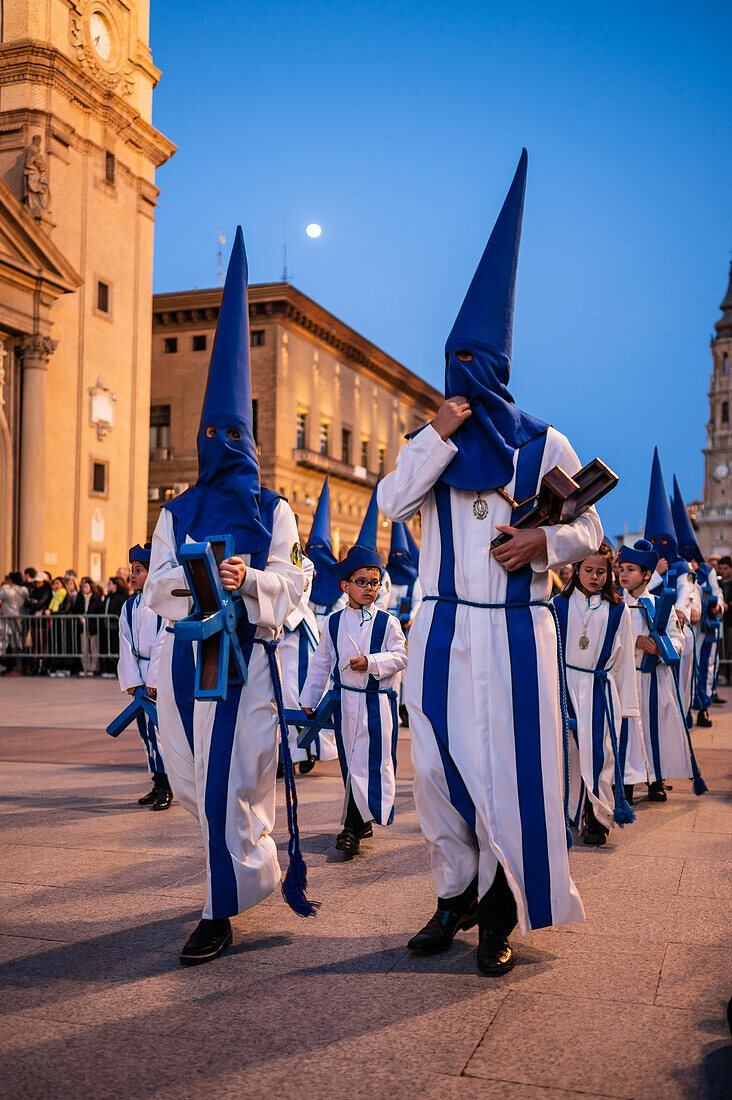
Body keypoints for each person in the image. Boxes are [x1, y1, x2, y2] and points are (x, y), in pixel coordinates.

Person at [378, 150, 602, 976]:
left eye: (478, 368)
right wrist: (437, 433)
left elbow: (594, 532)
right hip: (437, 628)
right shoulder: (429, 445)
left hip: (515, 633)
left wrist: (545, 539)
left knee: (512, 772)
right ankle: (450, 897)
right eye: (455, 368)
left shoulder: (546, 443)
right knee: (436, 772)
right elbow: (390, 506)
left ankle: (500, 916)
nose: (467, 381)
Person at [145, 228, 307, 967]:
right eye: (212, 430)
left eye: (233, 429)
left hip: (248, 669)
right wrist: (203, 577)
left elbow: (294, 585)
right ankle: (244, 871)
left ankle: (219, 908)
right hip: (186, 666)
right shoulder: (175, 510)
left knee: (235, 785)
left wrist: (253, 583)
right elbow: (155, 585)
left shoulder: (275, 508)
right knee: (193, 784)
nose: (220, 439)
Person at [300, 545, 407, 858]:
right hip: (346, 703)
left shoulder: (388, 622)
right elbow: (321, 663)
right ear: (344, 586)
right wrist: (309, 699)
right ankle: (360, 820)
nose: (369, 588)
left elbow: (401, 656)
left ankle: (352, 827)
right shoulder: (333, 623)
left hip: (377, 705)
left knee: (372, 763)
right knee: (351, 763)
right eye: (361, 582)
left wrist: (371, 662)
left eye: (373, 582)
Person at [553, 544, 639, 845]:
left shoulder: (618, 609)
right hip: (564, 684)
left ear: (610, 572)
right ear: (576, 569)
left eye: (601, 571)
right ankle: (572, 810)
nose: (594, 577)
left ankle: (598, 816)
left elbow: (625, 658)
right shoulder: (558, 605)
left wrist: (627, 705)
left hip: (599, 687)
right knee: (570, 752)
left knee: (600, 754)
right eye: (588, 570)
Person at [617, 540, 706, 803]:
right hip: (625, 679)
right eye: (621, 568)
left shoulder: (660, 603)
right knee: (629, 732)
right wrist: (636, 641)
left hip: (654, 679)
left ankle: (656, 780)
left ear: (647, 574)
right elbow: (607, 638)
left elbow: (677, 639)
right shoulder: (614, 604)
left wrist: (661, 646)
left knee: (655, 730)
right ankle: (626, 783)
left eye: (630, 569)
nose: (623, 574)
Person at [118, 544, 172, 810]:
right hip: (140, 678)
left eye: (139, 570)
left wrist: (153, 680)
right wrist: (132, 681)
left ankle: (167, 785)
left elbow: (163, 642)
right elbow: (125, 643)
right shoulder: (129, 606)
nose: (133, 574)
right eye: (132, 570)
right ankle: (156, 780)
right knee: (146, 732)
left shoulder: (162, 604)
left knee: (160, 732)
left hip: (156, 678)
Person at [279, 526, 337, 774]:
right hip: (274, 635)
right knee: (278, 695)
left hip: (296, 633)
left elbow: (298, 598)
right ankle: (286, 752)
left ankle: (303, 751)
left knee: (296, 695)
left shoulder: (304, 563)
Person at [386, 521, 422, 727]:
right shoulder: (387, 575)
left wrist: (411, 617)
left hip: (406, 629)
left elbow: (418, 601)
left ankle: (407, 708)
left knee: (407, 670)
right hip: (389, 627)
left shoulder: (414, 580)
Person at [306, 476, 347, 631]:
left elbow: (341, 611)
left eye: (320, 546)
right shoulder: (306, 573)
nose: (315, 550)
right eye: (312, 546)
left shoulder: (340, 581)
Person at [73, 577, 103, 676]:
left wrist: (92, 621)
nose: (84, 588)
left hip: (93, 626)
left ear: (91, 587)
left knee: (94, 647)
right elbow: (76, 609)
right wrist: (80, 618)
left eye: (86, 586)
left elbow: (99, 611)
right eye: (82, 586)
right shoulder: (80, 597)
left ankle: (93, 668)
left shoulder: (96, 597)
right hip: (82, 625)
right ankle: (85, 668)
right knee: (84, 648)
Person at [100, 576, 128, 677]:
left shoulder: (120, 597)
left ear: (115, 585)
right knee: (107, 647)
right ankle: (108, 669)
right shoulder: (108, 596)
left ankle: (114, 670)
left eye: (110, 583)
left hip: (115, 625)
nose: (108, 585)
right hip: (106, 625)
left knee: (114, 647)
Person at [45, 577, 72, 677]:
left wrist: (52, 613)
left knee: (62, 645)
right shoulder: (55, 595)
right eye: (54, 584)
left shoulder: (65, 595)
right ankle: (57, 667)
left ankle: (64, 668)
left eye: (57, 583)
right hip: (56, 624)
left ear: (62, 584)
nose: (55, 586)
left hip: (63, 624)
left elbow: (65, 610)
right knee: (56, 645)